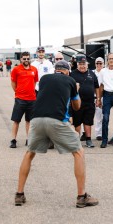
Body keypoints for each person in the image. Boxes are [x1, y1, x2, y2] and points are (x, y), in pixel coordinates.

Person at [15, 60, 98, 208]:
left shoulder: (44, 79)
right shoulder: (71, 80)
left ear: (55, 70)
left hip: (37, 119)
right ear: (67, 71)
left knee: (29, 153)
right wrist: (76, 90)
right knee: (78, 152)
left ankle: (19, 194)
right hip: (57, 120)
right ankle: (81, 196)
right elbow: (77, 106)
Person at [10, 51, 38, 148]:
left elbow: (34, 83)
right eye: (24, 58)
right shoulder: (16, 70)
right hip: (20, 99)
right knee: (16, 120)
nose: (26, 60)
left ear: (29, 59)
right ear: (21, 59)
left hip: (32, 99)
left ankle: (28, 139)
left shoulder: (34, 69)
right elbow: (13, 83)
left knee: (29, 121)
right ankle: (13, 140)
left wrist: (30, 91)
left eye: (27, 58)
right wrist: (18, 92)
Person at [70, 55, 100, 148]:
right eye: (80, 64)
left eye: (84, 64)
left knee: (88, 121)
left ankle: (88, 140)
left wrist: (98, 99)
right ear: (77, 64)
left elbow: (97, 87)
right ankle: (76, 141)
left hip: (90, 102)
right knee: (77, 122)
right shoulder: (72, 74)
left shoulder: (92, 73)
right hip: (77, 102)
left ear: (87, 64)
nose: (82, 66)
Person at [93, 57, 105, 141]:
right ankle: (85, 133)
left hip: (102, 96)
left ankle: (99, 134)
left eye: (100, 63)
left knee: (100, 116)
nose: (99, 65)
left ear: (103, 64)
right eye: (97, 63)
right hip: (92, 96)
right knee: (89, 116)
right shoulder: (92, 72)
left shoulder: (105, 72)